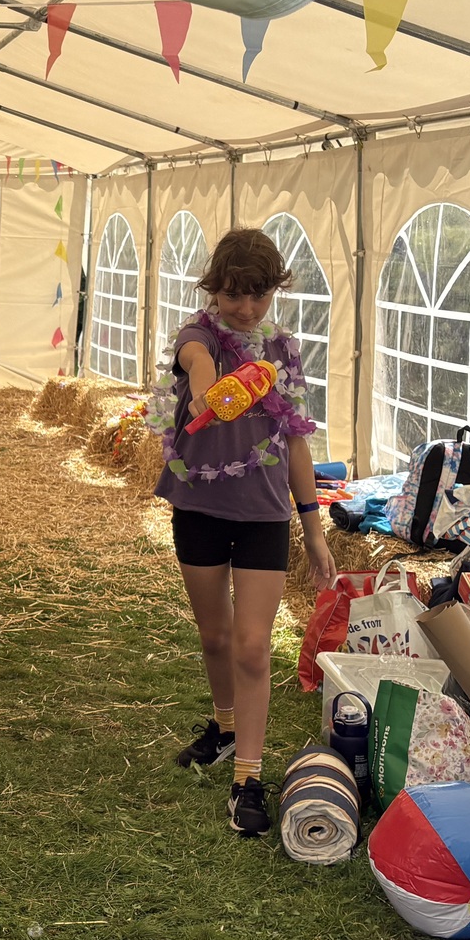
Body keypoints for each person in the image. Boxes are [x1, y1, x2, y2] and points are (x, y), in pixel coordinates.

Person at [158, 228, 337, 838]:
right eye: (234, 294)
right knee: (215, 637)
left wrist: (313, 528)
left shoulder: (283, 351)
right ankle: (225, 727)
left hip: (265, 514)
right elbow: (195, 359)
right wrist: (207, 388)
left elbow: (297, 441)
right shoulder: (199, 335)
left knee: (254, 645)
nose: (247, 308)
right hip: (200, 508)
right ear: (214, 289)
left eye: (259, 296)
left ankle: (248, 781)